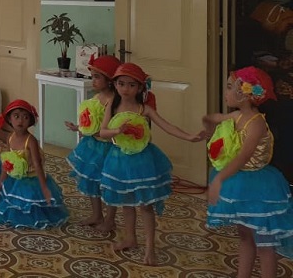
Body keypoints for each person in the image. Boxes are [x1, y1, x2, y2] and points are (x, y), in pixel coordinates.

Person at [98, 62, 204, 265]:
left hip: (142, 161)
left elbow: (166, 125)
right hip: (119, 159)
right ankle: (130, 238)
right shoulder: (112, 105)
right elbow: (103, 132)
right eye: (121, 83)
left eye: (131, 85)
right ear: (115, 84)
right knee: (127, 203)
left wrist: (189, 137)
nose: (125, 89)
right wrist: (117, 131)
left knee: (145, 206)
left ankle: (150, 248)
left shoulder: (144, 109)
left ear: (140, 88)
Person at [203, 67, 293, 278]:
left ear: (244, 93)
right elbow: (217, 118)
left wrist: (219, 179)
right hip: (241, 185)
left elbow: (243, 156)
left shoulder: (257, 123)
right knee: (245, 236)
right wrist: (207, 124)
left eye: (229, 87)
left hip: (260, 189)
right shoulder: (236, 115)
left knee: (264, 243)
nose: (225, 92)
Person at [0, 99, 68, 228]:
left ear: (30, 121)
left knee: (33, 203)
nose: (20, 121)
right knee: (15, 201)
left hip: (32, 179)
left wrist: (44, 188)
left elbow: (37, 165)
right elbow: (7, 163)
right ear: (9, 119)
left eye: (25, 117)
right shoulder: (10, 138)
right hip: (16, 179)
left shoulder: (31, 140)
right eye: (16, 116)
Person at [65, 54, 120, 231]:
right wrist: (78, 128)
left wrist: (89, 131)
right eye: (92, 76)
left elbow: (107, 128)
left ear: (109, 80)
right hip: (93, 146)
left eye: (97, 77)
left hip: (109, 148)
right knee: (91, 179)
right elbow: (91, 124)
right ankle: (97, 214)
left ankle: (110, 219)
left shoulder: (114, 101)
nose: (93, 80)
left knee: (109, 183)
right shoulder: (96, 98)